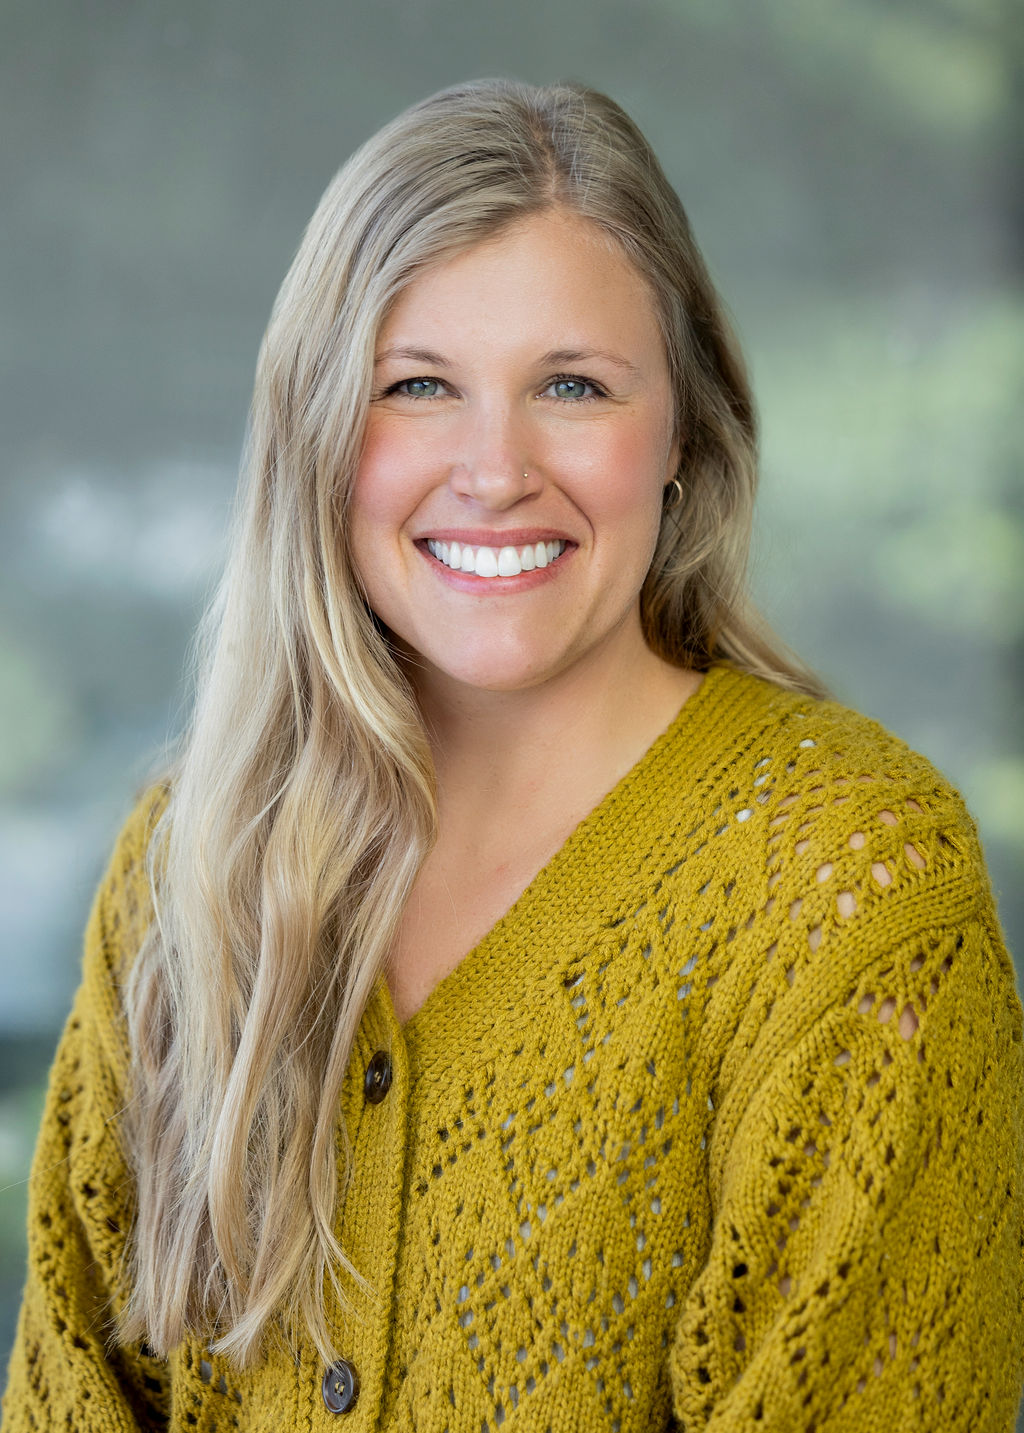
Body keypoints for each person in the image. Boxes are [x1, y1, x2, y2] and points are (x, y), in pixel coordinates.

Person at [2, 77, 1023, 1433]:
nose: (494, 470)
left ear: (682, 429)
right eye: (417, 386)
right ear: (318, 434)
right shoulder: (190, 857)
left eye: (573, 385)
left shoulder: (846, 891)